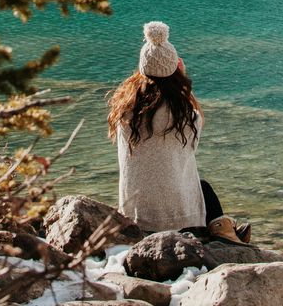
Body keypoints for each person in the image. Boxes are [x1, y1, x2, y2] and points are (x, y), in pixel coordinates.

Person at [107, 20, 249, 242]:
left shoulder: (124, 111)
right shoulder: (185, 115)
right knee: (203, 188)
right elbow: (191, 147)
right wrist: (182, 83)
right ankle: (225, 233)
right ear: (175, 68)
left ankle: (225, 230)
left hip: (136, 214)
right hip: (178, 218)